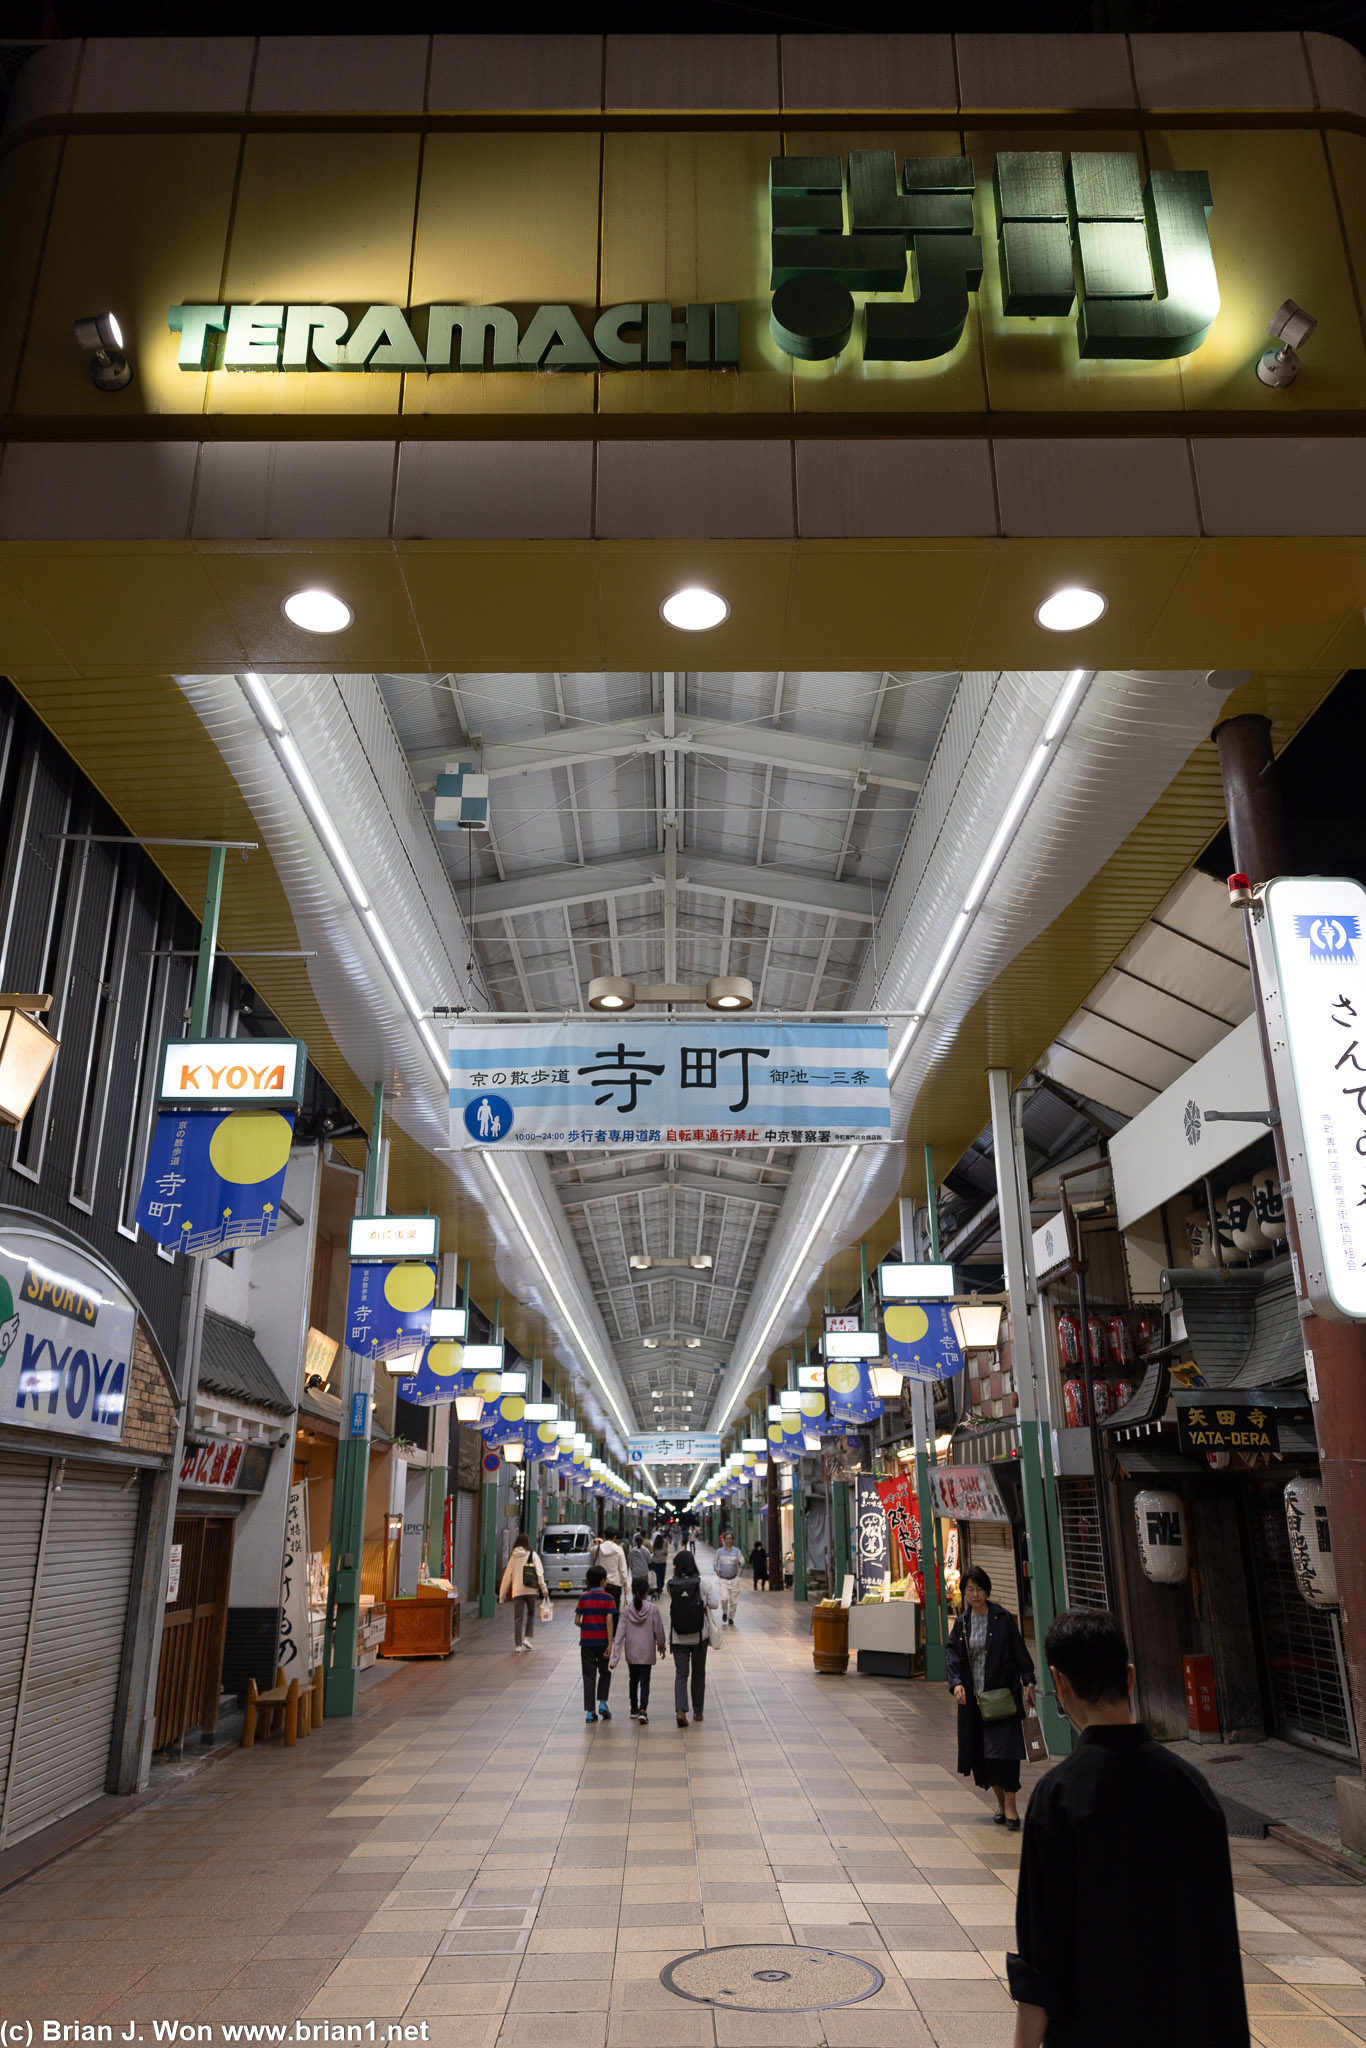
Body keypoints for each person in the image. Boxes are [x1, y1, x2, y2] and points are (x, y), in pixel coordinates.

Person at [1008, 1608, 1249, 2048]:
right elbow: (1218, 1946)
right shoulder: (1192, 1789)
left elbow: (1042, 1958)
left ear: (1060, 1685)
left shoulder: (1058, 1798)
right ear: (1130, 1677)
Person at [945, 1565, 1036, 1829]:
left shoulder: (1003, 1618)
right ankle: (1000, 1802)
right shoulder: (962, 1623)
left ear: (987, 1590)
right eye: (970, 1589)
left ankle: (1010, 1807)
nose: (975, 1594)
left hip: (1002, 1699)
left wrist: (1028, 1679)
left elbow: (1019, 1651)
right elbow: (952, 1654)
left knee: (1006, 1754)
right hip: (973, 1703)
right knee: (983, 1756)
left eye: (979, 1589)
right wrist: (956, 1683)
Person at [667, 1548, 719, 1727]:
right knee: (698, 1674)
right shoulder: (703, 1583)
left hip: (678, 1637)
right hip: (699, 1637)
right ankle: (698, 1711)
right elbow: (714, 1604)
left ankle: (681, 1710)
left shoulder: (671, 1583)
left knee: (681, 1675)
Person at [610, 1573, 667, 1723]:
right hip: (647, 1652)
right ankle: (643, 1710)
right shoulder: (653, 1609)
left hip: (632, 1653)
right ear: (647, 1591)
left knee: (633, 1680)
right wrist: (661, 1646)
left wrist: (615, 1657)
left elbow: (619, 1634)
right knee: (645, 1682)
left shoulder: (627, 1610)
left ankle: (633, 1708)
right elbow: (659, 1631)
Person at [574, 1563, 617, 1724]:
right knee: (604, 1672)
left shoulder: (583, 1598)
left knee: (589, 1676)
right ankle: (603, 1703)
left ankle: (590, 1712)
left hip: (586, 1643)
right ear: (602, 1581)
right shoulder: (608, 1598)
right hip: (602, 1642)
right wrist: (609, 1644)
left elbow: (577, 1620)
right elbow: (609, 1621)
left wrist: (586, 1626)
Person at [497, 1527, 548, 1653]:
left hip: (517, 1591)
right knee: (531, 1614)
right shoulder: (533, 1555)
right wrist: (544, 1588)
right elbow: (539, 1573)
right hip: (531, 1590)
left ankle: (518, 1645)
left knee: (518, 1617)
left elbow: (507, 1576)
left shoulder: (513, 1557)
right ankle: (526, 1638)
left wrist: (501, 1596)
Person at [591, 1526, 629, 1611]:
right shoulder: (619, 1550)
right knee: (614, 1609)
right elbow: (623, 1569)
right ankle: (614, 1624)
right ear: (615, 1537)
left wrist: (594, 1541)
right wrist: (625, 1585)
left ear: (604, 1536)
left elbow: (589, 1549)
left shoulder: (599, 1548)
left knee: (602, 1609)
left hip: (601, 1584)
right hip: (615, 1584)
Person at [714, 1528, 744, 1624]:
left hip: (734, 1580)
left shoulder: (737, 1551)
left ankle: (731, 1617)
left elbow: (743, 1562)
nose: (729, 1540)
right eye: (727, 1538)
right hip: (723, 1580)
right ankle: (724, 1612)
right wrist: (716, 1570)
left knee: (734, 1602)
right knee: (724, 1598)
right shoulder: (719, 1551)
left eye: (730, 1538)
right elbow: (715, 1562)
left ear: (732, 1540)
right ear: (724, 1539)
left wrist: (739, 1562)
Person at [650, 1531, 668, 1597]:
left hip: (655, 1562)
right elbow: (666, 1552)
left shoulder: (654, 1544)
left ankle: (659, 1588)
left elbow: (652, 1552)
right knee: (662, 1575)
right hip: (663, 1562)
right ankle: (661, 1586)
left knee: (657, 1575)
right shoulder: (665, 1543)